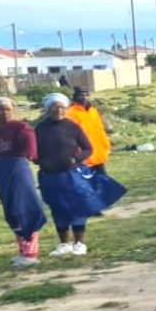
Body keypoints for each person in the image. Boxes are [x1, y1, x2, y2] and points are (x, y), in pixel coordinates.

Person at [35, 93, 109, 257]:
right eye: (55, 107)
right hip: (49, 175)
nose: (59, 110)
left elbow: (88, 148)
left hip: (71, 174)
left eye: (62, 107)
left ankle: (79, 243)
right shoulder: (40, 128)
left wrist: (76, 158)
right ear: (48, 109)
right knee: (57, 208)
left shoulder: (72, 126)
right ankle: (64, 244)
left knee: (77, 207)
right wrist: (37, 159)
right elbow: (34, 149)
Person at [0, 97, 46, 267]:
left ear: (12, 110)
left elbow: (30, 146)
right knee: (11, 213)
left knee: (24, 210)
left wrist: (32, 155)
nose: (3, 112)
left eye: (7, 109)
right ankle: (23, 251)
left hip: (18, 173)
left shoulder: (21, 128)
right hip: (2, 175)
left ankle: (31, 254)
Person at [67, 87, 113, 174]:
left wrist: (106, 145)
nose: (84, 97)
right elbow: (71, 136)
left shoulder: (93, 111)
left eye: (86, 95)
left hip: (98, 154)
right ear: (75, 97)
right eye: (81, 95)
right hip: (85, 156)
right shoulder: (70, 114)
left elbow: (100, 130)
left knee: (102, 181)